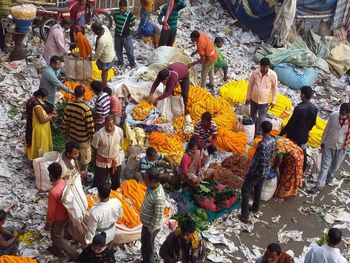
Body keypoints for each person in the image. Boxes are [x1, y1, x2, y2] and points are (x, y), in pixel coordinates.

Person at [239, 121, 276, 224]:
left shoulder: (262, 144)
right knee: (258, 188)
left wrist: (250, 171)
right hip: (265, 171)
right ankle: (255, 208)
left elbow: (258, 160)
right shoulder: (273, 140)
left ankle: (244, 216)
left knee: (245, 191)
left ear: (262, 130)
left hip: (257, 171)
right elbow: (272, 154)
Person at [46, 163, 79, 259]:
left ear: (51, 175)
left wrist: (48, 222)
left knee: (56, 237)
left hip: (58, 217)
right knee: (60, 232)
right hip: (66, 213)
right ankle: (56, 250)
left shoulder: (53, 192)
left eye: (49, 174)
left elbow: (51, 211)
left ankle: (74, 255)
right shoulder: (64, 182)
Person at [280, 86, 318, 171]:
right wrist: (307, 130)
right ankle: (302, 168)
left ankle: (286, 169)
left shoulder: (299, 108)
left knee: (289, 151)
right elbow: (313, 123)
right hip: (304, 135)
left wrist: (281, 134)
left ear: (303, 95)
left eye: (301, 93)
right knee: (302, 151)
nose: (300, 95)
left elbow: (290, 123)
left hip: (294, 135)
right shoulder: (314, 108)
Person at [314, 103, 350, 191]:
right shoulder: (334, 116)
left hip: (342, 147)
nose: (341, 115)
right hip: (329, 144)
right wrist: (322, 142)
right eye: (341, 112)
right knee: (325, 166)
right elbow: (327, 129)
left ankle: (328, 178)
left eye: (344, 114)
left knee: (335, 166)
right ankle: (320, 184)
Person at [147, 62, 192, 133]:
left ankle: (186, 111)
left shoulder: (173, 77)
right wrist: (151, 94)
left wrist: (157, 99)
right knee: (171, 90)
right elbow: (155, 84)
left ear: (167, 78)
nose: (162, 83)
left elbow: (167, 93)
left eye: (163, 81)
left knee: (185, 94)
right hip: (177, 67)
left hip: (184, 73)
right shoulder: (161, 74)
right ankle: (172, 95)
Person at [61, 85, 94, 173]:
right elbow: (90, 127)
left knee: (74, 156)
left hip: (72, 137)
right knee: (84, 159)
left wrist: (64, 132)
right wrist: (92, 138)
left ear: (74, 94)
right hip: (83, 139)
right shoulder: (86, 109)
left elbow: (65, 122)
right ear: (84, 94)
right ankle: (82, 173)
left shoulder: (69, 106)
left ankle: (75, 171)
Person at [246, 57, 278, 136]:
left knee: (261, 119)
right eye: (262, 67)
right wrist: (247, 97)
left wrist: (273, 101)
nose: (264, 69)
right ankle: (251, 133)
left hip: (264, 101)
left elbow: (274, 88)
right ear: (260, 65)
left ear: (268, 66)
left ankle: (259, 134)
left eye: (266, 67)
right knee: (252, 116)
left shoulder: (273, 75)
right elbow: (250, 85)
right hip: (253, 99)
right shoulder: (255, 73)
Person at [140, 168, 166, 263]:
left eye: (146, 179)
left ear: (153, 181)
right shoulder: (151, 187)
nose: (144, 180)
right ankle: (145, 260)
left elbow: (158, 217)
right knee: (145, 245)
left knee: (148, 248)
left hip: (151, 227)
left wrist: (150, 231)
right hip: (146, 224)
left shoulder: (158, 198)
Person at [91, 115, 124, 190]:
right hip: (102, 162)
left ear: (115, 124)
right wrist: (96, 158)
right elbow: (94, 146)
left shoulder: (119, 131)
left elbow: (120, 143)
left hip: (115, 161)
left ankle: (114, 194)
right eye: (107, 125)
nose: (109, 128)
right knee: (99, 182)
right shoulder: (99, 134)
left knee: (116, 182)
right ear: (104, 124)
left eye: (111, 126)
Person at [25, 88, 56, 160]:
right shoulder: (37, 106)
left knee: (35, 144)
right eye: (45, 97)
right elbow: (41, 120)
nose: (45, 99)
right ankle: (38, 160)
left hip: (33, 125)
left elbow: (38, 115)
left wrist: (48, 114)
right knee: (41, 145)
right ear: (40, 96)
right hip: (40, 129)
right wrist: (51, 116)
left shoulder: (31, 100)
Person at [113, 0, 136, 69]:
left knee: (129, 51)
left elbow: (133, 22)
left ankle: (133, 64)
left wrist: (128, 26)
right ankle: (121, 62)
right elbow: (115, 19)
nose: (122, 9)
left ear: (126, 7)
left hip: (126, 36)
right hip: (117, 35)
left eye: (123, 7)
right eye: (120, 7)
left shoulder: (129, 14)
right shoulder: (116, 13)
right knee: (118, 51)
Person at [91, 22, 116, 88]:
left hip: (106, 59)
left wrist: (92, 58)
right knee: (105, 71)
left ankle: (104, 87)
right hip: (111, 53)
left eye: (94, 31)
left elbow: (98, 54)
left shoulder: (102, 40)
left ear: (98, 31)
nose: (93, 33)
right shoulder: (105, 28)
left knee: (104, 73)